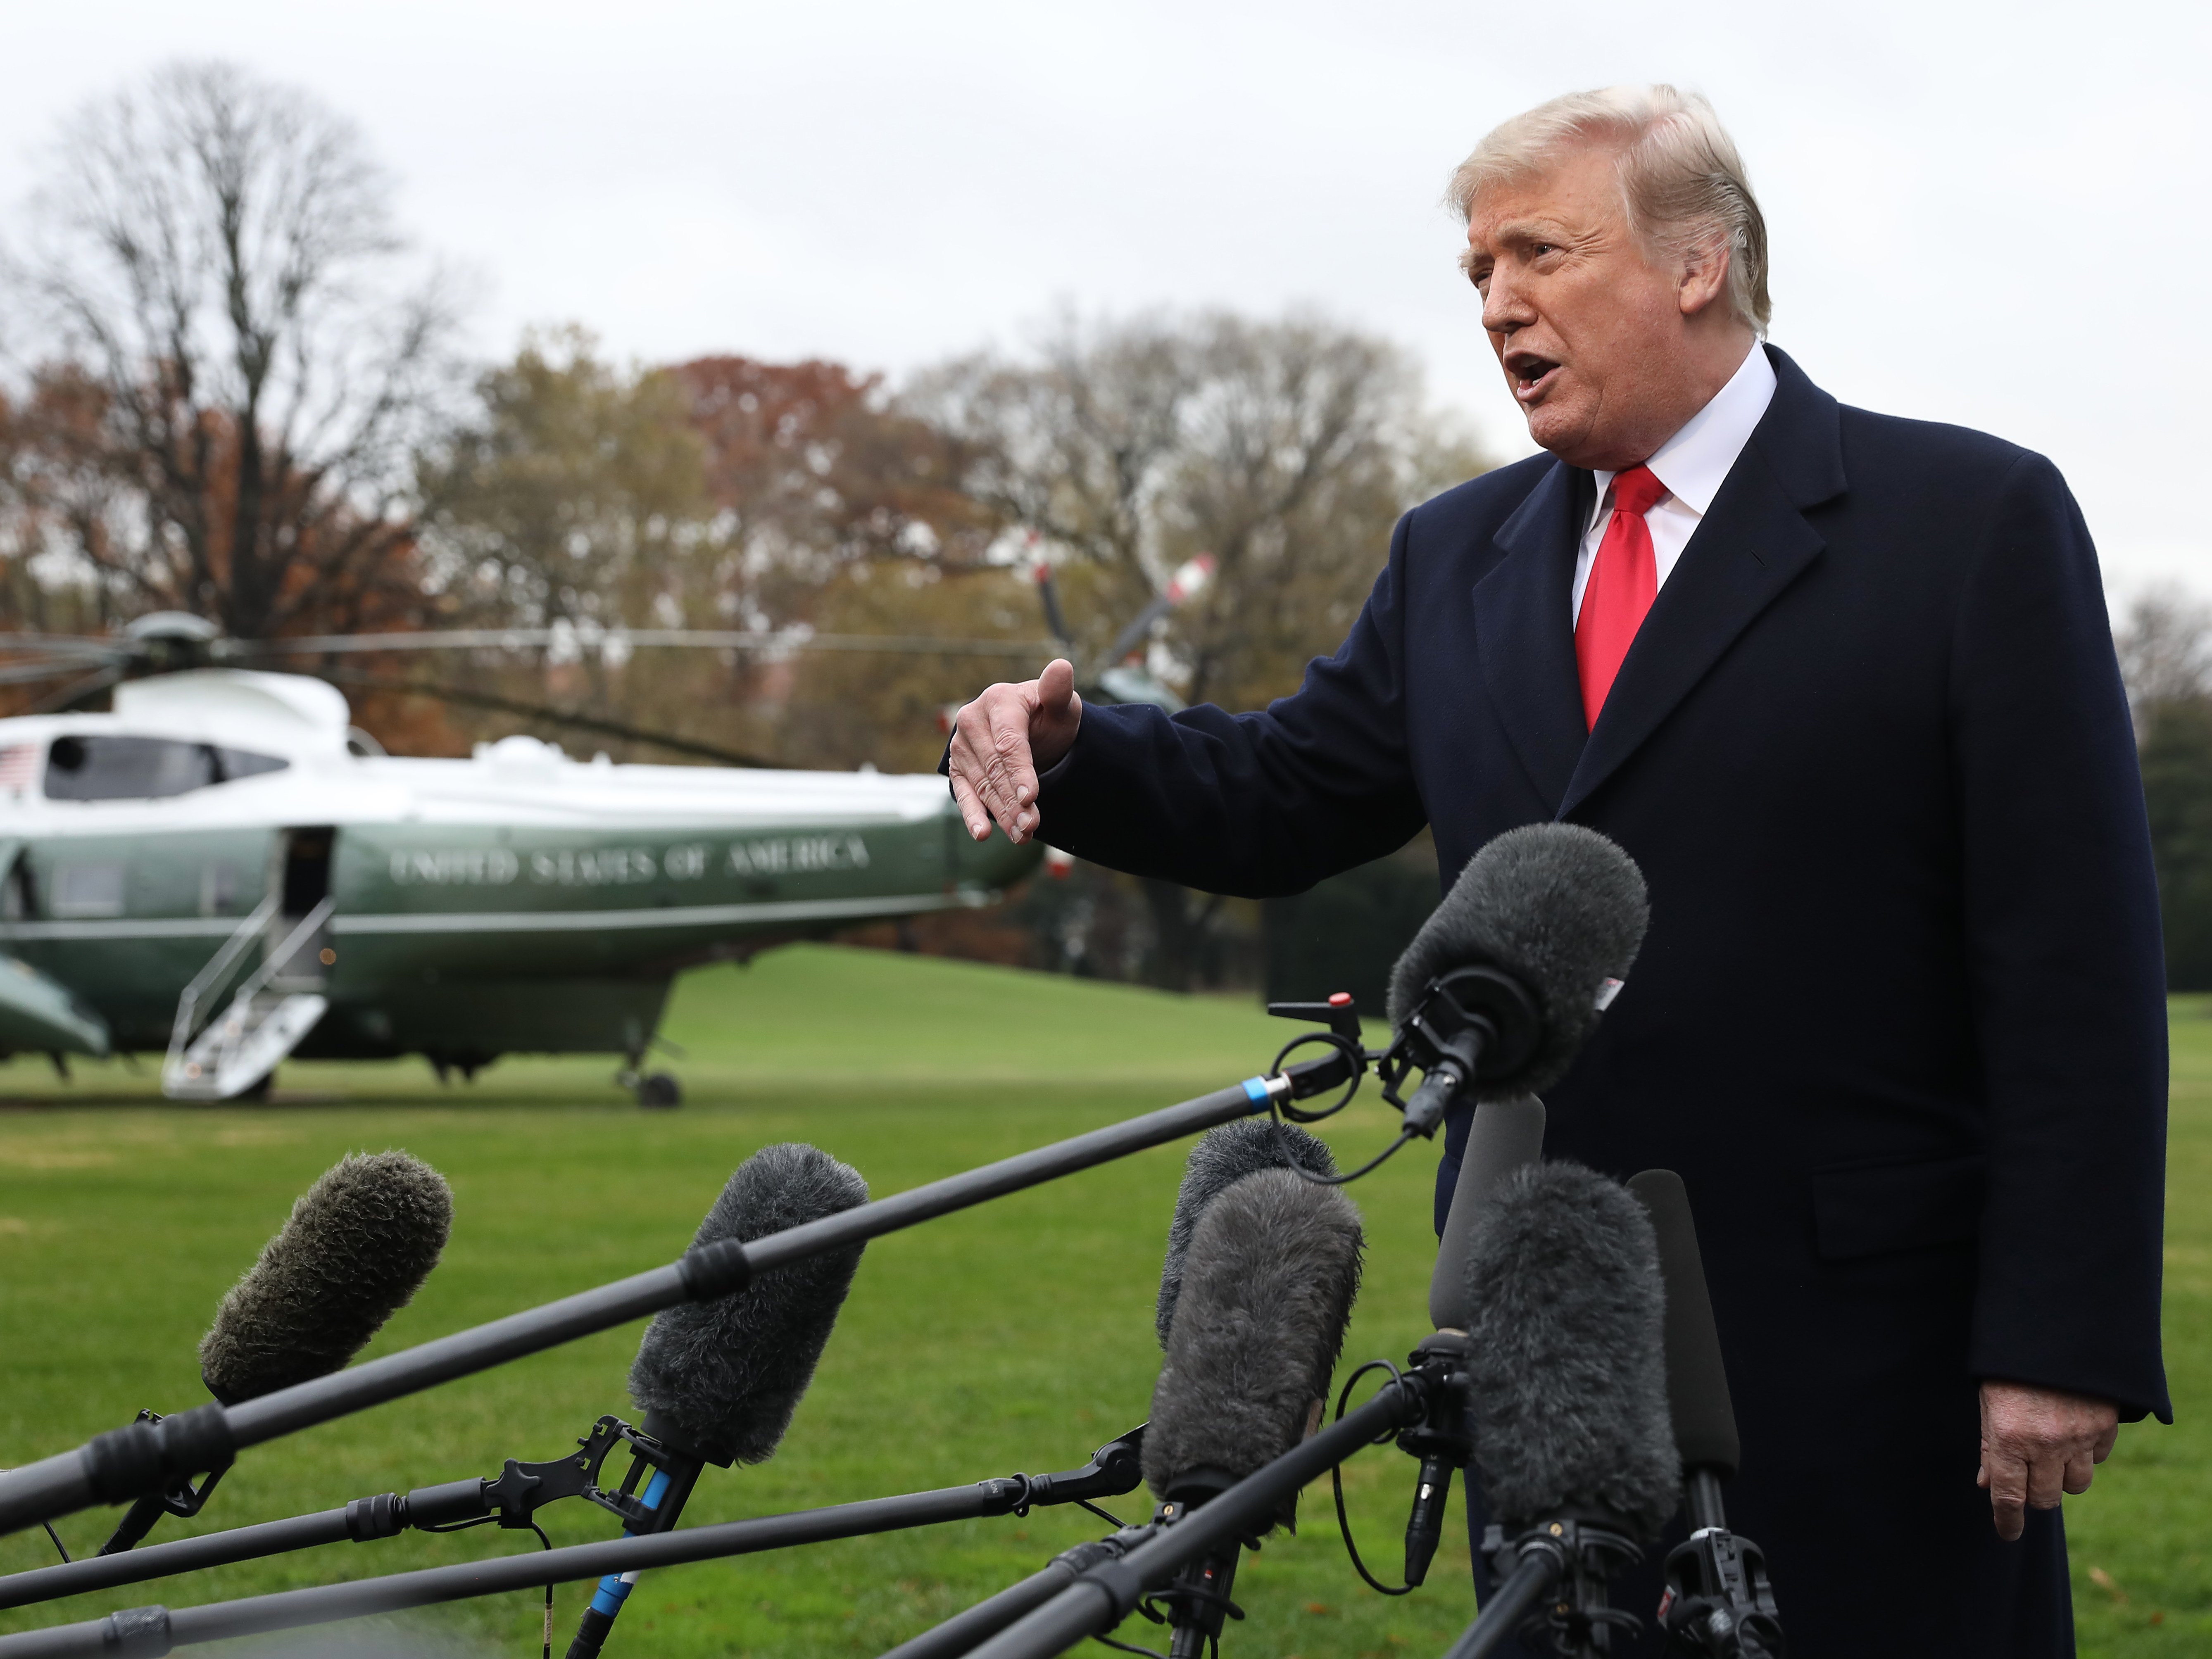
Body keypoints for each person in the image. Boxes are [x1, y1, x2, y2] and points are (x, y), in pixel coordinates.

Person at [944, 85, 2168, 1656]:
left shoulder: (1968, 524)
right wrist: (1075, 755)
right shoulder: (1454, 552)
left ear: (1698, 263)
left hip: (1865, 1350)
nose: (1498, 302)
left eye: (1540, 251)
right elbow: (1284, 794)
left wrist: (2056, 1336)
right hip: (1542, 1344)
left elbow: (2071, 958)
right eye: (1476, 271)